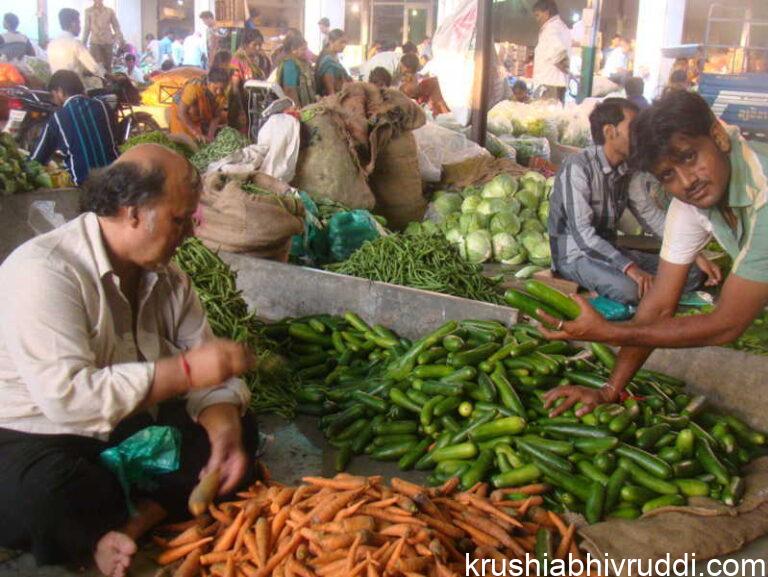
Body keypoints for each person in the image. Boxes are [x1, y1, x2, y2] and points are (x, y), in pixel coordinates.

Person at [0, 143, 256, 577]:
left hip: (128, 424)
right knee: (47, 493)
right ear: (132, 210)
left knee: (239, 432)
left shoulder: (170, 279)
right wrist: (187, 371)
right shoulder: (45, 271)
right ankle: (100, 531)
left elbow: (207, 369)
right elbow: (69, 399)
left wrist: (223, 424)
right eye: (179, 220)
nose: (188, 234)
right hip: (38, 433)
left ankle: (135, 521)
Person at [541, 90, 768, 418]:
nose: (687, 181)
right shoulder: (691, 202)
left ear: (718, 136)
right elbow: (659, 305)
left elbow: (726, 325)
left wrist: (611, 332)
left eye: (689, 156)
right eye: (667, 175)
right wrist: (609, 390)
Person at [548, 97, 717, 305]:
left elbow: (649, 215)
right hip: (575, 256)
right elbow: (583, 236)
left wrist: (693, 253)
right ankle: (635, 293)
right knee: (630, 290)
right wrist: (632, 269)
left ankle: (645, 292)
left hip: (610, 253)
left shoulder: (629, 170)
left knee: (691, 272)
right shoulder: (577, 167)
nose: (640, 137)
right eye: (634, 129)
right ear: (610, 132)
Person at [30, 71, 118, 186]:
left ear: (60, 91)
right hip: (115, 178)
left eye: (53, 94)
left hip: (85, 185)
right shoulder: (102, 106)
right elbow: (114, 139)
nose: (53, 99)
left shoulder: (58, 118)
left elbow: (37, 158)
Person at [169, 67, 229, 143]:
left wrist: (210, 135)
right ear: (208, 82)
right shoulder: (194, 88)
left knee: (200, 142)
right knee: (184, 144)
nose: (219, 92)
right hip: (181, 119)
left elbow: (216, 116)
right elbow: (181, 113)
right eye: (215, 88)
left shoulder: (222, 95)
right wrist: (196, 133)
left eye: (222, 88)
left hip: (197, 120)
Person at [47, 8, 105, 86]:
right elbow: (94, 68)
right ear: (73, 24)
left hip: (57, 89)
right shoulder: (75, 43)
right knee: (103, 87)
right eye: (79, 23)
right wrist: (110, 76)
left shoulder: (51, 44)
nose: (80, 27)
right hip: (74, 89)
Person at [532, 0, 570, 103]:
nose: (537, 19)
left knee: (546, 118)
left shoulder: (551, 29)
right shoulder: (561, 27)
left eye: (537, 15)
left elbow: (559, 55)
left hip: (549, 85)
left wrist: (567, 70)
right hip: (555, 84)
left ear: (547, 13)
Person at [276, 32, 316, 108]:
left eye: (306, 49)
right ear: (293, 49)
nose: (306, 52)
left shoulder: (303, 62)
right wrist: (297, 109)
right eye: (303, 49)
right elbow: (289, 90)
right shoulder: (289, 64)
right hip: (296, 108)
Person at [82, 0, 123, 72]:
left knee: (108, 67)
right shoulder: (88, 11)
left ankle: (108, 82)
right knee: (95, 67)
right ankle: (98, 82)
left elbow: (116, 26)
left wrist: (117, 38)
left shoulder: (110, 11)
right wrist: (83, 43)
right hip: (95, 42)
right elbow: (87, 28)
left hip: (108, 42)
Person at [315, 29, 350, 97]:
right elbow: (330, 91)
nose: (344, 45)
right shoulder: (327, 61)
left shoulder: (334, 57)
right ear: (331, 42)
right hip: (331, 100)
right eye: (341, 42)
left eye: (345, 43)